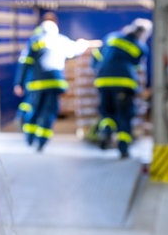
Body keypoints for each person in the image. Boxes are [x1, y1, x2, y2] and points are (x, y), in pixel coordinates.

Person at [14, 12, 89, 151]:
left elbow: (25, 63)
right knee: (49, 112)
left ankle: (30, 138)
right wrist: (83, 44)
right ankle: (42, 142)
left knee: (34, 110)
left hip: (37, 84)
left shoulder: (35, 41)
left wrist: (19, 83)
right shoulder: (61, 40)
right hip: (55, 83)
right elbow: (75, 50)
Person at [92, 18, 153, 159]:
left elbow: (96, 55)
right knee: (124, 115)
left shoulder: (112, 37)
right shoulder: (140, 46)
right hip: (124, 84)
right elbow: (137, 67)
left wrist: (98, 69)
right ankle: (123, 148)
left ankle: (106, 132)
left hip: (103, 80)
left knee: (107, 112)